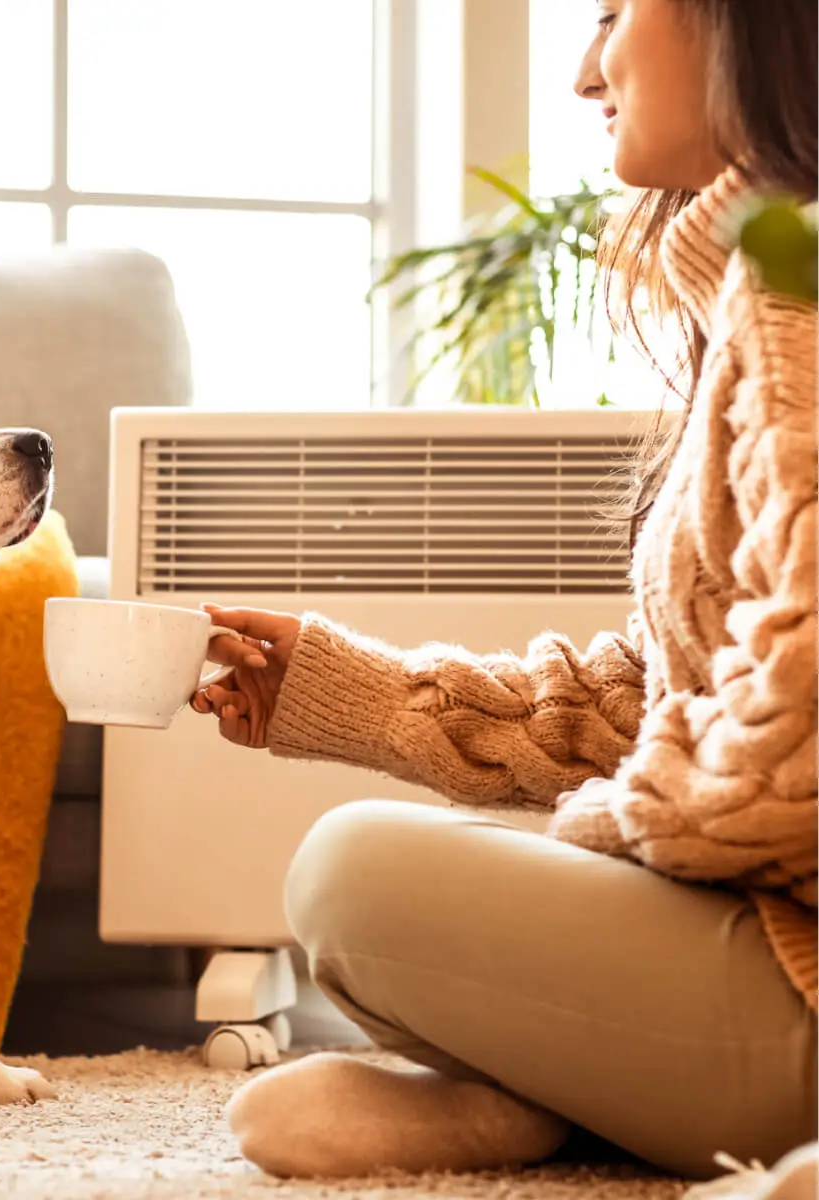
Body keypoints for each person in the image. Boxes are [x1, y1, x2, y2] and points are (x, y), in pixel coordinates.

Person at [191, 0, 817, 1184]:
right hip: (778, 947)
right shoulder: (767, 279)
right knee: (381, 870)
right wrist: (344, 691)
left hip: (803, 980)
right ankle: (552, 1111)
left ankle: (581, 1103)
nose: (586, 72)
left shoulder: (798, 293)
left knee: (348, 874)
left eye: (613, 13)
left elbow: (803, 712)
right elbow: (665, 689)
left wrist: (603, 842)